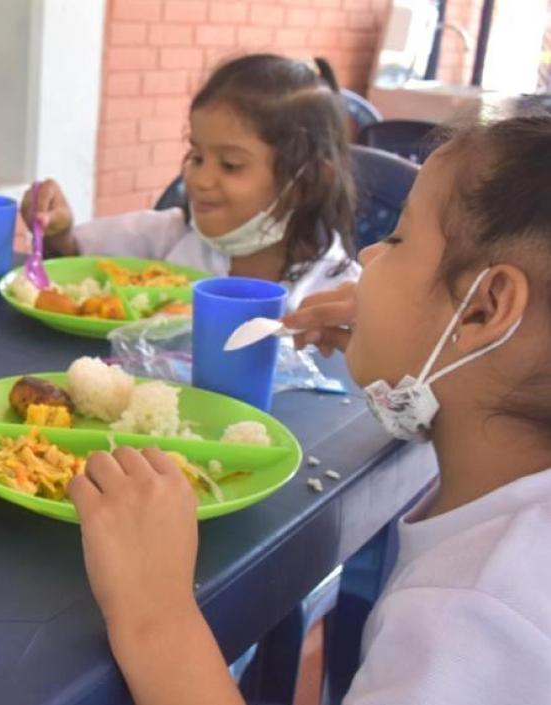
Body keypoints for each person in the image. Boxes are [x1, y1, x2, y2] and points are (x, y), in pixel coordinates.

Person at [70, 115, 551, 704]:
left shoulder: (475, 618)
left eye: (397, 240)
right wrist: (412, 339)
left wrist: (156, 615)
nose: (371, 255)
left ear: (483, 308)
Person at [24, 54, 359, 309]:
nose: (199, 178)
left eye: (230, 165)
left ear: (306, 182)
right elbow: (73, 259)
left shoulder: (343, 293)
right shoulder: (170, 237)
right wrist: (57, 231)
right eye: (197, 157)